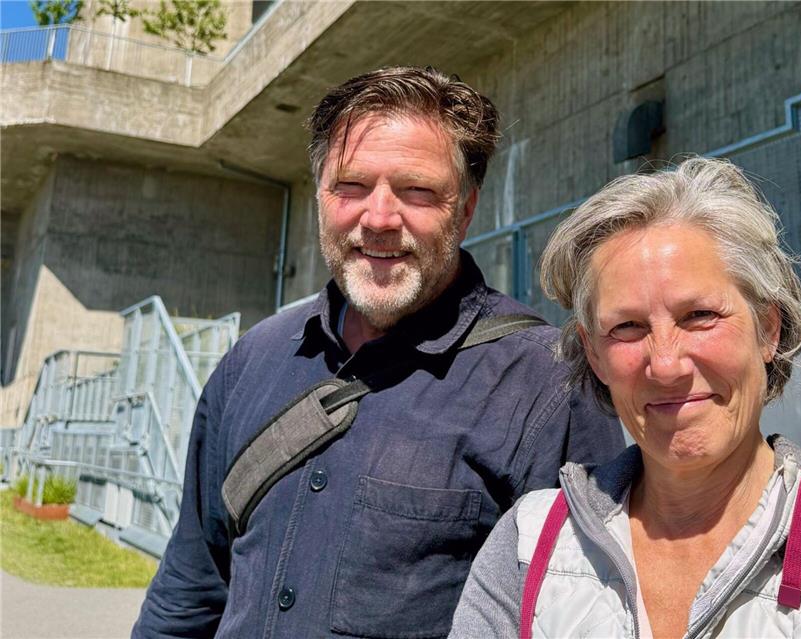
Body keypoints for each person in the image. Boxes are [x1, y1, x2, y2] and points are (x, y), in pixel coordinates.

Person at [132, 67, 623, 638]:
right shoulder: (253, 359)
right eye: (351, 186)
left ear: (464, 209)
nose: (380, 218)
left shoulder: (547, 385)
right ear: (320, 196)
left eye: (417, 191)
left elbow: (576, 617)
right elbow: (190, 588)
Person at [450, 157, 801, 638]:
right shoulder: (527, 545)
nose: (667, 364)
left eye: (699, 317)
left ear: (767, 329)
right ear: (594, 354)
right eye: (626, 327)